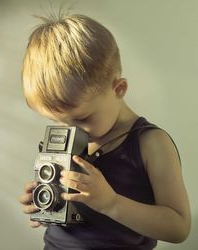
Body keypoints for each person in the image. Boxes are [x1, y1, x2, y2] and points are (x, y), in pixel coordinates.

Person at [19, 12, 191, 250]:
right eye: (58, 122)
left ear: (119, 89)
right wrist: (47, 200)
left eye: (81, 119)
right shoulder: (72, 136)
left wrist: (110, 203)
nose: (70, 131)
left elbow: (178, 228)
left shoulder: (151, 143)